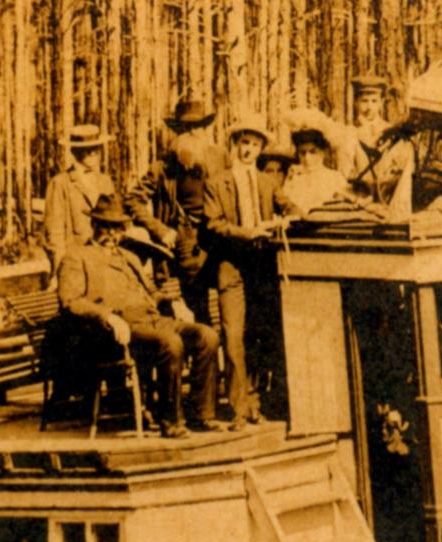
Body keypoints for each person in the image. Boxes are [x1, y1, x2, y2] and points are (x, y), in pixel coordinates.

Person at [57, 195, 221, 437]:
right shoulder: (77, 256)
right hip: (116, 329)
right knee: (170, 343)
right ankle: (171, 421)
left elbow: (151, 293)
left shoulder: (129, 257)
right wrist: (107, 316)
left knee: (206, 336)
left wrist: (175, 302)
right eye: (106, 227)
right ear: (94, 226)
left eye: (117, 228)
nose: (112, 234)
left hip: (152, 319)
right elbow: (70, 301)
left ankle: (202, 414)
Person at [204, 112, 294, 429]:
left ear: (260, 150)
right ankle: (238, 409)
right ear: (235, 145)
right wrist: (248, 232)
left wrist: (288, 218)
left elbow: (290, 207)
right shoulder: (217, 183)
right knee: (233, 338)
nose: (248, 151)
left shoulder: (269, 182)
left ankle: (255, 402)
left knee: (260, 336)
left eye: (254, 145)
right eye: (244, 144)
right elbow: (213, 224)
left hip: (261, 269)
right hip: (231, 269)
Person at [124, 94, 225, 324]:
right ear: (176, 133)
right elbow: (132, 200)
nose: (191, 134)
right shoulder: (162, 167)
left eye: (197, 128)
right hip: (185, 241)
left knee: (230, 304)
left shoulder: (220, 158)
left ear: (205, 131)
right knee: (197, 310)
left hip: (218, 237)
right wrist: (161, 230)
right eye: (184, 129)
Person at [42, 124, 117, 272]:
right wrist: (62, 271)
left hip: (105, 262)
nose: (92, 153)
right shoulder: (60, 183)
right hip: (76, 264)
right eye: (86, 149)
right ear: (74, 151)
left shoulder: (105, 181)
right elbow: (54, 234)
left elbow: (115, 224)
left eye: (96, 148)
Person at [281, 124, 352, 216]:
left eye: (312, 152)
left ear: (324, 152)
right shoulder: (293, 177)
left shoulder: (335, 177)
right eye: (302, 153)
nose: (307, 158)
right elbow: (286, 205)